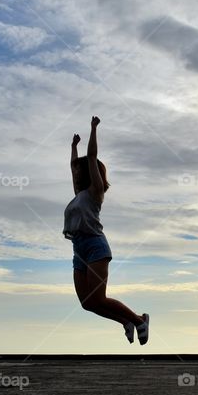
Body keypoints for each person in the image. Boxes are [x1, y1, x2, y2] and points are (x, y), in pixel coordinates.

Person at [66, 116, 149, 345]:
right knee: (87, 303)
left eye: (80, 170)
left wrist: (93, 129)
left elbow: (92, 156)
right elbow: (73, 167)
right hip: (78, 249)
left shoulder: (95, 192)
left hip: (95, 245)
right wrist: (73, 147)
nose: (76, 173)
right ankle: (125, 322)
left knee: (99, 298)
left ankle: (139, 320)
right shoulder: (78, 194)